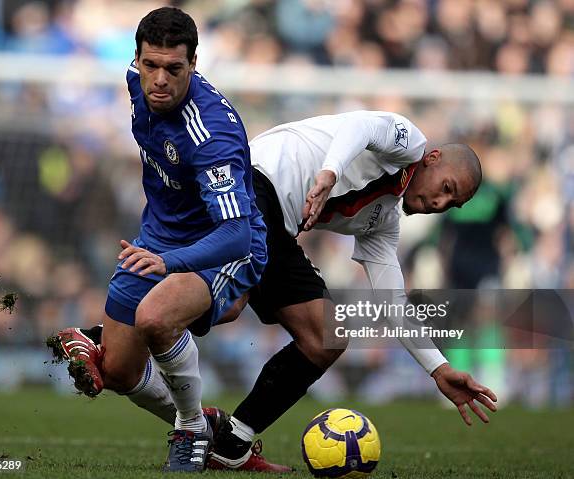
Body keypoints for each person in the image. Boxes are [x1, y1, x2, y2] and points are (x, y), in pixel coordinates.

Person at [51, 111, 498, 470]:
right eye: (446, 188)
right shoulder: (409, 142)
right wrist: (329, 171)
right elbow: (360, 127)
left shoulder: (382, 221)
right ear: (434, 159)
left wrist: (438, 369)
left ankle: (231, 443)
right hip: (249, 185)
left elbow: (392, 302)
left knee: (324, 337)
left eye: (451, 204)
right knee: (228, 301)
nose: (440, 203)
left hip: (275, 228)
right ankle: (116, 349)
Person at [55, 6, 271, 473]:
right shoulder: (138, 87)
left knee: (155, 317)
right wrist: (160, 249)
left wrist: (170, 262)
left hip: (221, 245)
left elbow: (235, 234)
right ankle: (204, 426)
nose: (158, 79)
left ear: (194, 64)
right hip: (157, 236)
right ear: (136, 59)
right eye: (149, 65)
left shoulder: (211, 134)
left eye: (173, 69)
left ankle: (191, 431)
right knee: (117, 372)